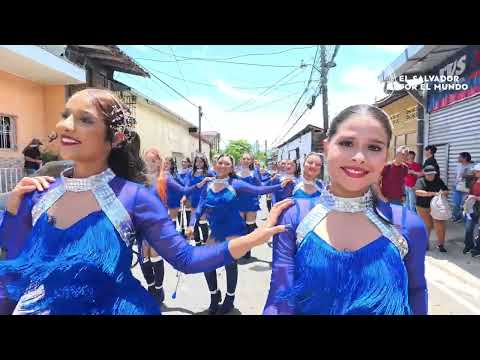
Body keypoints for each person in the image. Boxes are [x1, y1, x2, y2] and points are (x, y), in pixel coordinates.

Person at [0, 88, 291, 315]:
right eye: (65, 115)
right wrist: (13, 211)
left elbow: (186, 259)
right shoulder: (39, 191)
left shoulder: (135, 197)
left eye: (84, 119)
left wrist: (252, 238)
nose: (65, 126)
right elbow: (17, 262)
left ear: (115, 138)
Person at [264, 104, 428, 315]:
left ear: (386, 156)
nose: (359, 156)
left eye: (374, 147)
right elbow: (280, 299)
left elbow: (417, 291)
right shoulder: (295, 217)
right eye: (347, 143)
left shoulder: (408, 224)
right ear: (326, 147)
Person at [187, 154, 292, 314]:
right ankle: (214, 297)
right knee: (207, 263)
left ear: (231, 168)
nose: (222, 165)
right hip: (215, 230)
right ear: (215, 165)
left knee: (229, 262)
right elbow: (200, 206)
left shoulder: (235, 183)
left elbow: (258, 190)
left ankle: (229, 299)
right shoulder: (208, 184)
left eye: (227, 163)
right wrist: (190, 224)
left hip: (233, 228)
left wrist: (279, 186)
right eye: (220, 162)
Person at [235, 152, 266, 259]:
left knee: (249, 227)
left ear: (251, 161)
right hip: (238, 203)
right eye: (244, 158)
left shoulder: (254, 173)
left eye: (248, 159)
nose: (246, 160)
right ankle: (240, 249)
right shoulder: (235, 173)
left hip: (251, 203)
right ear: (241, 160)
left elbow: (260, 186)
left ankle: (247, 250)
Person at [415, 165, 449, 253]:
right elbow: (417, 192)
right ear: (425, 174)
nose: (430, 176)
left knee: (440, 225)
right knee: (427, 226)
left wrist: (442, 193)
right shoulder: (420, 181)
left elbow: (446, 190)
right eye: (428, 174)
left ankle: (441, 245)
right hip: (423, 207)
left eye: (432, 174)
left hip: (437, 208)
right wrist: (432, 194)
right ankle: (425, 244)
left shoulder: (438, 180)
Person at [185, 154, 215, 246]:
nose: (198, 163)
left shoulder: (208, 172)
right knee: (195, 222)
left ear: (204, 162)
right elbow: (187, 185)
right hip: (193, 199)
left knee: (202, 221)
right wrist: (185, 197)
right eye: (197, 161)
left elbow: (217, 178)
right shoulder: (191, 173)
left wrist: (208, 179)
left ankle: (206, 242)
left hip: (204, 200)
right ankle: (197, 242)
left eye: (201, 161)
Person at [452, 152, 475, 223]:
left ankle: (464, 218)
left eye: (459, 157)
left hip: (466, 188)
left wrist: (466, 175)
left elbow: (475, 177)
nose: (458, 158)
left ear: (465, 158)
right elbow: (456, 175)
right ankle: (456, 216)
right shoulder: (458, 165)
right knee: (456, 203)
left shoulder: (472, 166)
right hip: (457, 187)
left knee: (464, 204)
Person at [464, 163, 480, 257]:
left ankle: (478, 249)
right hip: (472, 207)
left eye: (477, 171)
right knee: (469, 227)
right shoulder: (474, 181)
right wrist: (468, 197)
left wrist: (476, 198)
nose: (475, 173)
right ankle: (468, 245)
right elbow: (470, 192)